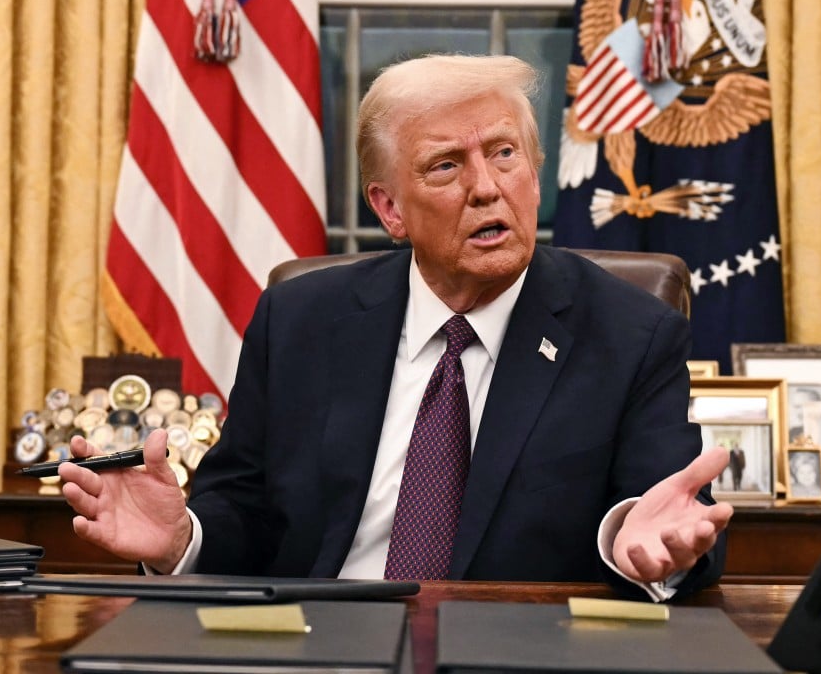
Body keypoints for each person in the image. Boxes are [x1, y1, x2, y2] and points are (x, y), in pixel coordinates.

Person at [59, 54, 732, 601]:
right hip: (320, 644)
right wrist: (182, 542)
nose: (487, 187)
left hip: (515, 649)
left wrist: (637, 544)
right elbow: (245, 509)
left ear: (535, 173)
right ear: (389, 209)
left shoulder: (630, 331)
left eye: (504, 154)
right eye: (446, 165)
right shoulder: (301, 320)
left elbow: (669, 514)